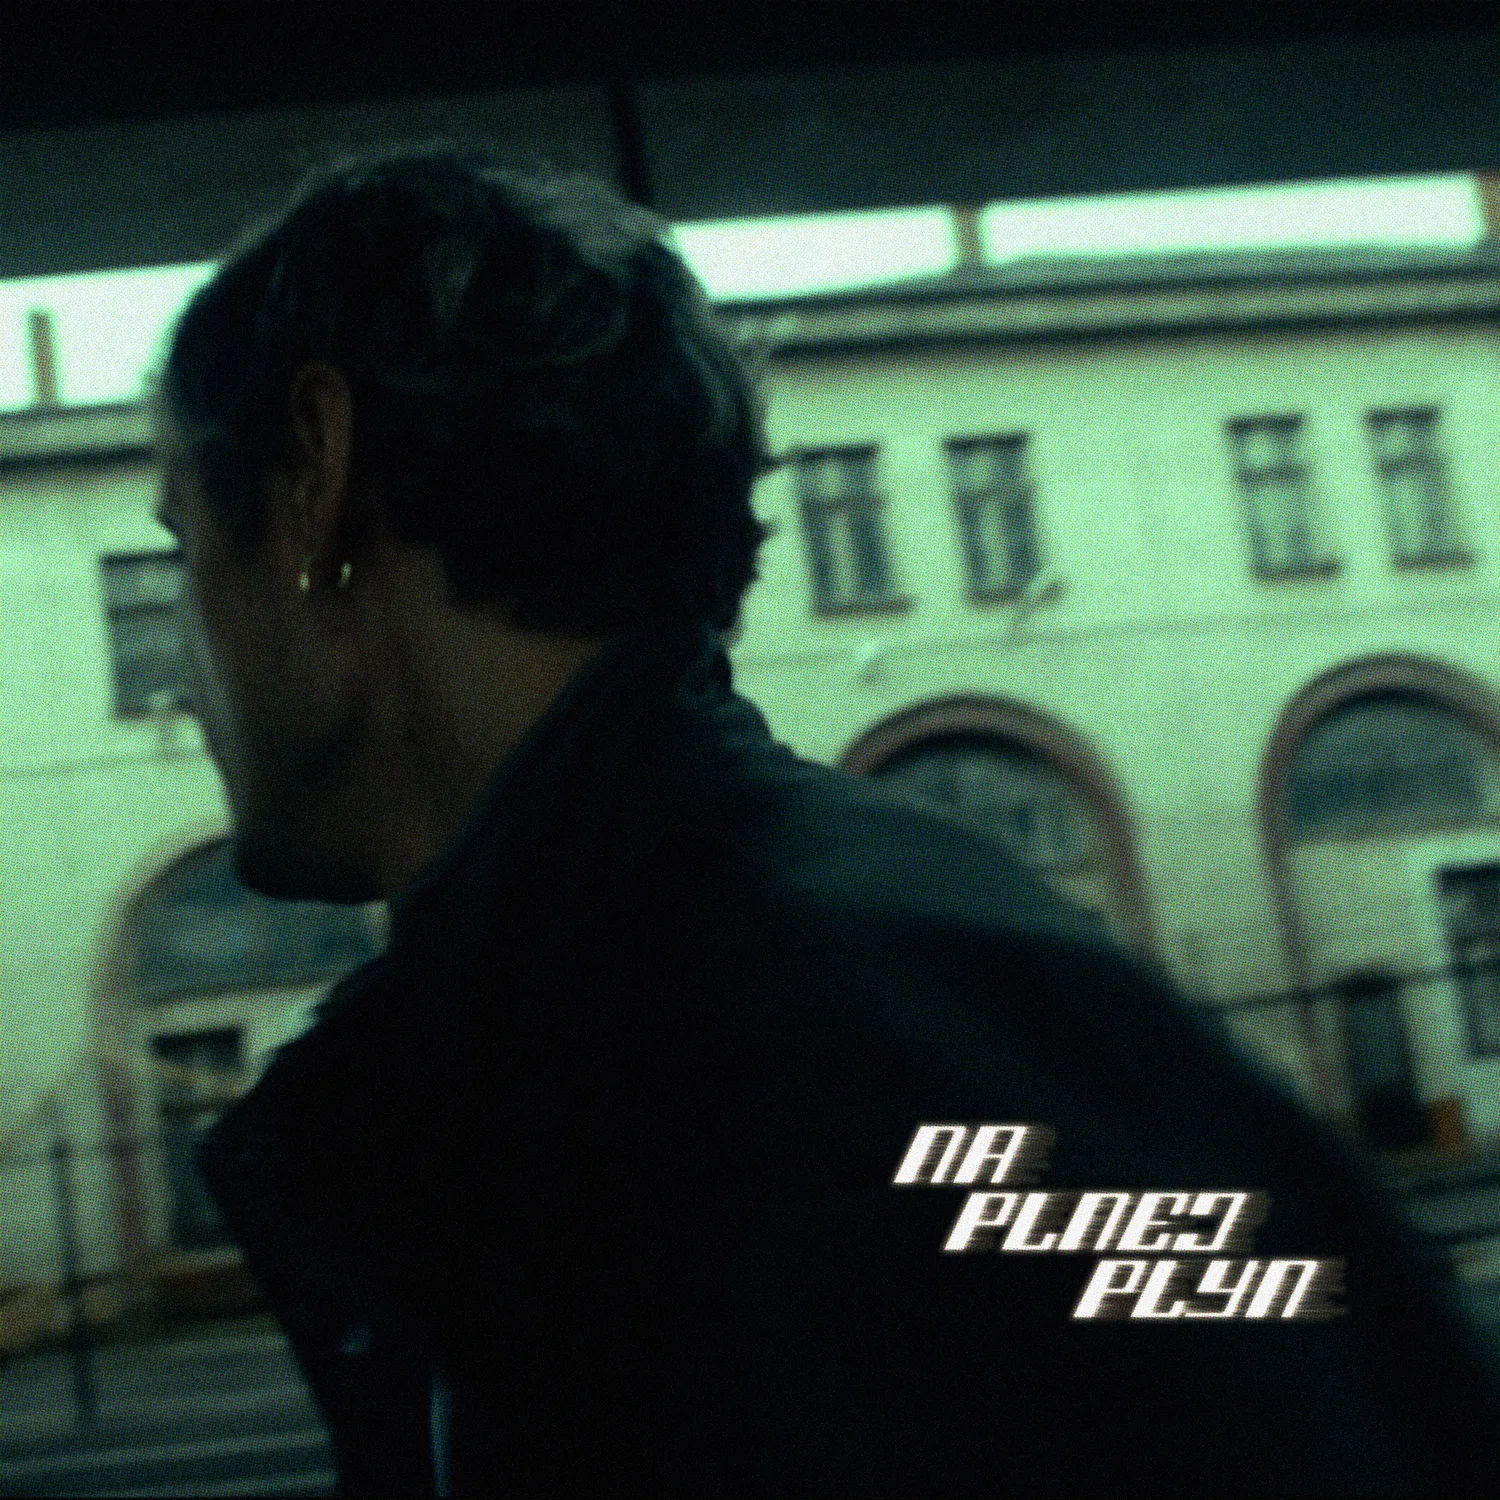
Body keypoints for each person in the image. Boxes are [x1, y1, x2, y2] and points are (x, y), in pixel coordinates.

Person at [146, 141, 1500, 1496]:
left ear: (317, 483)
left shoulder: (820, 1051)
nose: (179, 675)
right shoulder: (742, 1001)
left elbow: (1298, 1395)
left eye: (183, 545)